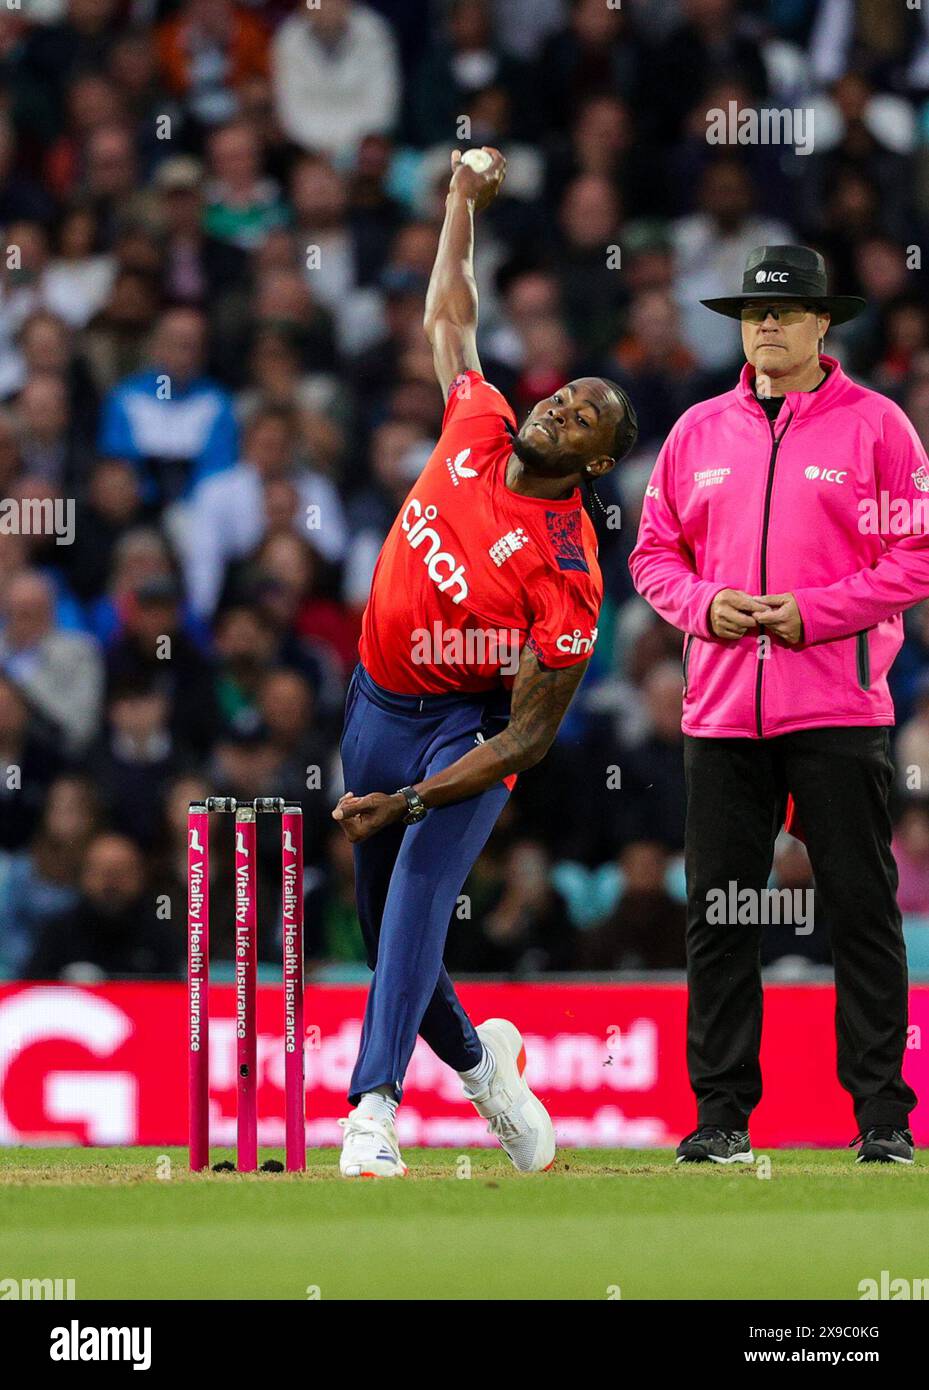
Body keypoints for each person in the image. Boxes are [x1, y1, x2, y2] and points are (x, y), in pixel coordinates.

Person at [331, 147, 638, 1178]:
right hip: (373, 698)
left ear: (594, 461)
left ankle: (371, 1110)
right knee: (387, 939)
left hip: (463, 731)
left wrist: (413, 798)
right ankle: (487, 1068)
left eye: (583, 418)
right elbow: (446, 309)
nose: (559, 409)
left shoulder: (569, 570)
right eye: (566, 397)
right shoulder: (478, 417)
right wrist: (460, 201)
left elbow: (531, 733)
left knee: (415, 898)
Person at [631, 244, 927, 1166]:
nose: (767, 325)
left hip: (836, 707)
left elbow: (913, 559)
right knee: (719, 916)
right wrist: (701, 606)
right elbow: (649, 557)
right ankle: (720, 1119)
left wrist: (811, 617)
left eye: (787, 311)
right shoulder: (694, 434)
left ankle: (881, 1119)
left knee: (861, 914)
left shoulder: (877, 428)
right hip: (719, 715)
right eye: (755, 313)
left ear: (820, 324)